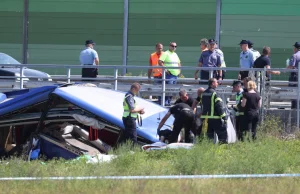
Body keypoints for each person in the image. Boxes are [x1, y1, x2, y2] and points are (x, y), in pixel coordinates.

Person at [200, 78, 227, 144]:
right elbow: (219, 106)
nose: (217, 83)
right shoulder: (215, 93)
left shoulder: (203, 94)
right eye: (216, 82)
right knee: (222, 135)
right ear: (212, 83)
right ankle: (222, 151)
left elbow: (201, 106)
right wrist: (224, 117)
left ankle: (209, 151)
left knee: (209, 137)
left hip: (206, 119)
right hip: (215, 119)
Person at [287, 42, 300, 109]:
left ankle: (294, 109)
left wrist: (287, 67)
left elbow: (291, 66)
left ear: (296, 48)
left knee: (294, 93)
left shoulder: (294, 55)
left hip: (295, 77)